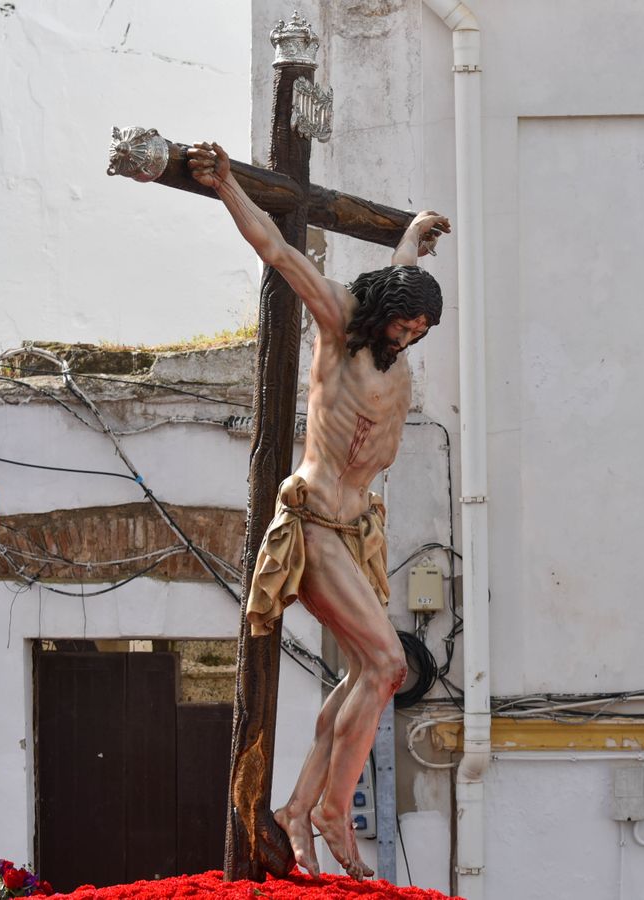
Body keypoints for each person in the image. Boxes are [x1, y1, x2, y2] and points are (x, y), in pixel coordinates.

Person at [188, 141, 449, 879]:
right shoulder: (339, 321)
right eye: (406, 326)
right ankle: (333, 808)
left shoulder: (395, 341)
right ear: (384, 316)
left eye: (423, 331)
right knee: (389, 663)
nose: (412, 338)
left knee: (368, 672)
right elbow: (274, 246)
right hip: (312, 525)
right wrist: (228, 183)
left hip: (357, 529)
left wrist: (410, 242)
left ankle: (299, 808)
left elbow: (401, 284)